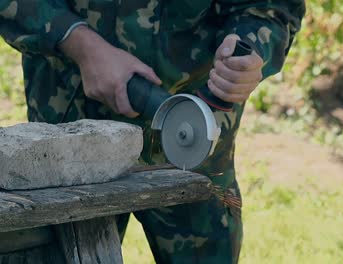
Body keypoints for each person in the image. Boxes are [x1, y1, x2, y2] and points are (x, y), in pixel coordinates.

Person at [0, 1, 305, 263]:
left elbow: (269, 7)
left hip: (194, 139)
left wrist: (249, 52)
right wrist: (83, 46)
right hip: (68, 141)